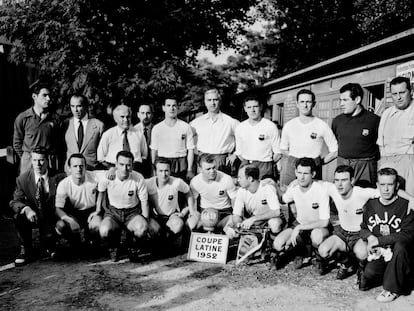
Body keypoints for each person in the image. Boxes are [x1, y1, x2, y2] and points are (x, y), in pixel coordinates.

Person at [356, 168, 414, 302]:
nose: (386, 189)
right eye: (382, 185)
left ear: (397, 185)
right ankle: (397, 276)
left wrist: (379, 240)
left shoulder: (406, 205)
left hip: (402, 254)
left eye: (390, 184)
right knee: (370, 273)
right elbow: (363, 228)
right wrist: (370, 237)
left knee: (401, 245)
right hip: (383, 252)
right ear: (377, 185)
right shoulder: (371, 204)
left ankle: (391, 289)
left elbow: (407, 235)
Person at [317, 165, 381, 278]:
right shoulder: (332, 189)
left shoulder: (361, 193)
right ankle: (346, 263)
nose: (339, 184)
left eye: (344, 180)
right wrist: (295, 183)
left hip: (360, 234)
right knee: (323, 251)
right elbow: (315, 183)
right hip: (343, 232)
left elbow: (388, 193)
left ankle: (361, 268)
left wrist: (411, 199)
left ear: (352, 180)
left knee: (362, 253)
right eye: (336, 180)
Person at [10, 148, 66, 266]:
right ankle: (26, 250)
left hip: (51, 215)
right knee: (18, 216)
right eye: (35, 160)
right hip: (33, 215)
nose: (38, 164)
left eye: (41, 160)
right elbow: (15, 201)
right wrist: (27, 209)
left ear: (48, 160)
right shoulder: (23, 179)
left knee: (58, 221)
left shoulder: (59, 177)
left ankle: (51, 246)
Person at [273, 157, 330, 271]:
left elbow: (325, 221)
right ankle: (302, 251)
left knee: (317, 237)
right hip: (300, 224)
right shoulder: (294, 188)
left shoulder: (321, 190)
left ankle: (318, 257)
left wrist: (299, 227)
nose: (302, 177)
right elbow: (282, 199)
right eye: (299, 173)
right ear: (295, 172)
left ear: (313, 174)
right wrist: (273, 185)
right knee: (278, 244)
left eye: (305, 173)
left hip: (318, 226)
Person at [93, 151, 149, 261]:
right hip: (113, 212)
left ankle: (131, 246)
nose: (125, 168)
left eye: (128, 165)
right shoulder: (108, 177)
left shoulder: (138, 178)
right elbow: (101, 193)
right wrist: (98, 210)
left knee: (142, 229)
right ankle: (114, 247)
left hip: (132, 212)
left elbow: (144, 201)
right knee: (104, 230)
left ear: (132, 165)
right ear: (116, 164)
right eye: (122, 164)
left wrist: (146, 219)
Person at [279, 89, 338, 186]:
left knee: (313, 197)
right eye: (302, 102)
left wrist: (320, 162)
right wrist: (294, 160)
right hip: (292, 168)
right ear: (297, 104)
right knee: (289, 197)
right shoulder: (289, 125)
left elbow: (335, 150)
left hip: (313, 167)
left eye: (308, 102)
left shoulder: (322, 125)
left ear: (314, 104)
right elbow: (283, 148)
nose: (305, 105)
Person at [332, 83, 380, 187]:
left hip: (365, 167)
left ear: (357, 100)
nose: (341, 104)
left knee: (365, 198)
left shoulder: (374, 120)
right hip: (343, 164)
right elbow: (336, 143)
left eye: (345, 100)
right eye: (340, 100)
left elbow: (380, 145)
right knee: (342, 197)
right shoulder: (337, 121)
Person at [54, 154, 102, 254]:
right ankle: (74, 242)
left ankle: (93, 241)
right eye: (75, 166)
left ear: (86, 167)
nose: (78, 169)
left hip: (91, 211)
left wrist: (112, 170)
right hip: (74, 212)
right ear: (69, 168)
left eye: (81, 166)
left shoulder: (94, 176)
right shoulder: (64, 184)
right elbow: (58, 209)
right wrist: (69, 220)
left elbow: (113, 172)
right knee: (61, 225)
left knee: (98, 225)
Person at [13, 81, 62, 174]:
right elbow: (17, 143)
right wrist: (27, 158)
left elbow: (58, 143)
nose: (48, 98)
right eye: (44, 95)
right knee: (29, 187)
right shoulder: (23, 118)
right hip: (29, 164)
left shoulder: (55, 119)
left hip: (48, 163)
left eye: (49, 95)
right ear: (34, 96)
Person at [377, 76, 414, 195]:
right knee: (390, 201)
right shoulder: (386, 113)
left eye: (402, 92)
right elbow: (381, 143)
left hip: (409, 162)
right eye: (394, 93)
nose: (398, 97)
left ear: (411, 91)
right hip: (387, 161)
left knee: (410, 201)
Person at [225, 164, 284, 238]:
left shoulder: (267, 188)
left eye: (240, 177)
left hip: (268, 220)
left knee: (274, 224)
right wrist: (238, 223)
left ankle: (273, 245)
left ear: (250, 179)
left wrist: (254, 219)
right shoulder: (241, 191)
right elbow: (236, 215)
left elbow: (276, 212)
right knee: (229, 231)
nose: (238, 180)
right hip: (253, 222)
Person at [190, 89, 239, 176]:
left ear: (219, 101)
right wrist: (196, 154)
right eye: (209, 100)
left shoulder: (230, 122)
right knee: (203, 188)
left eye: (215, 100)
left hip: (222, 161)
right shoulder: (196, 123)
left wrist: (236, 154)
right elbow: (187, 140)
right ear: (205, 102)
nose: (212, 103)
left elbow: (244, 138)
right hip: (203, 161)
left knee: (222, 187)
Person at [146, 158, 197, 239]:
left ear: (170, 170)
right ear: (155, 171)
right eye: (161, 171)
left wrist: (190, 210)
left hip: (171, 216)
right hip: (155, 217)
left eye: (166, 170)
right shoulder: (148, 184)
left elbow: (188, 192)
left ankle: (168, 243)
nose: (164, 174)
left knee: (178, 225)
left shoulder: (177, 182)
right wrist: (148, 216)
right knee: (151, 229)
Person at [235, 96, 281, 178]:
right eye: (249, 107)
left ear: (261, 107)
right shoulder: (240, 127)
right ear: (245, 109)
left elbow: (277, 152)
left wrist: (267, 162)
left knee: (265, 189)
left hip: (264, 165)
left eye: (255, 106)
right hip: (246, 165)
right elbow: (239, 152)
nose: (252, 110)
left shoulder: (270, 126)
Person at [190, 153, 237, 232]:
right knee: (190, 224)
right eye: (208, 169)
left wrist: (236, 214)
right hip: (204, 212)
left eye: (214, 168)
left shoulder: (226, 179)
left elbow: (234, 199)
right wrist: (193, 213)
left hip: (223, 212)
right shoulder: (195, 181)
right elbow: (193, 199)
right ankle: (187, 244)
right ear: (200, 169)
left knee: (232, 230)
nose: (212, 171)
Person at [151, 98, 195, 181]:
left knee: (180, 189)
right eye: (168, 105)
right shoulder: (157, 128)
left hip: (181, 163)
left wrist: (189, 169)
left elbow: (190, 149)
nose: (172, 108)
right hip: (163, 162)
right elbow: (154, 150)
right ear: (163, 108)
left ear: (178, 107)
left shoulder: (185, 126)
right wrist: (154, 168)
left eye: (174, 105)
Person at [97, 104, 147, 172]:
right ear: (115, 119)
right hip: (114, 172)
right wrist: (112, 168)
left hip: (135, 171)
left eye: (128, 117)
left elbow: (144, 156)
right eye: (122, 117)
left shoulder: (139, 134)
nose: (126, 120)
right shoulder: (108, 134)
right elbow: (101, 158)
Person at [64, 94, 104, 172]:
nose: (75, 110)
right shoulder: (66, 124)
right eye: (72, 106)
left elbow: (102, 151)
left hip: (91, 170)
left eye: (79, 106)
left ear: (86, 106)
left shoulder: (98, 125)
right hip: (70, 171)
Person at [134, 103, 154, 178]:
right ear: (138, 114)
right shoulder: (133, 131)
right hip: (138, 167)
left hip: (153, 166)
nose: (145, 116)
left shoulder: (157, 130)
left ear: (152, 115)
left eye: (148, 113)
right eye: (142, 113)